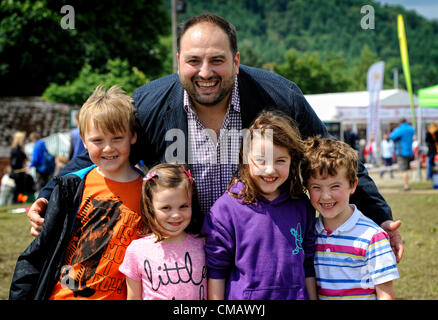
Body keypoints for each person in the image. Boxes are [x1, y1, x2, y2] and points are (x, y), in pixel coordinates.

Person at [27, 13, 403, 263]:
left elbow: (333, 155)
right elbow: (91, 155)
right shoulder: (145, 104)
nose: (205, 72)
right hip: (177, 250)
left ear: (236, 61)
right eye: (193, 61)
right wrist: (46, 197)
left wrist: (381, 218)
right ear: (178, 62)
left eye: (217, 60)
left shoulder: (281, 97)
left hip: (263, 249)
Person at [9, 85, 143, 300]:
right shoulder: (71, 187)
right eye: (98, 140)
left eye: (117, 138)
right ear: (83, 141)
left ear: (133, 136)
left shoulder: (148, 191)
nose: (108, 148)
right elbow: (42, 251)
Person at [203, 110, 317, 300]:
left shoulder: (302, 206)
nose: (270, 170)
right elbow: (217, 271)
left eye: (280, 160)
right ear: (245, 158)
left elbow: (308, 264)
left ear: (292, 161)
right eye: (261, 160)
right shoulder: (226, 210)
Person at [301, 137, 399, 300]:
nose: (325, 196)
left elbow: (385, 294)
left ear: (353, 185)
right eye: (316, 187)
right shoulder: (310, 233)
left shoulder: (373, 237)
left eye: (335, 186)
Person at [119, 163, 206, 300]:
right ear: (150, 206)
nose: (176, 215)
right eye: (166, 208)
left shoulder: (204, 245)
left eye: (183, 206)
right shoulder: (137, 251)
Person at [389, 118, 415, 191]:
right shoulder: (411, 128)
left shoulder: (400, 129)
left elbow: (392, 136)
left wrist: (394, 130)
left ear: (400, 122)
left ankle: (406, 186)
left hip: (402, 152)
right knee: (406, 169)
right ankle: (407, 184)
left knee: (404, 170)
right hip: (409, 151)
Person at [9, 131, 34, 203]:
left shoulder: (19, 149)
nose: (24, 140)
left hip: (20, 172)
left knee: (20, 189)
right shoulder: (15, 150)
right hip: (18, 173)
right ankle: (15, 203)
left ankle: (18, 202)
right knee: (18, 190)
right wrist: (23, 167)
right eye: (23, 139)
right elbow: (14, 164)